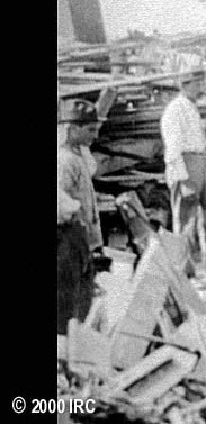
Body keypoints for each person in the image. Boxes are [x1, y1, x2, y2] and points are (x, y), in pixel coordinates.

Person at [160, 64, 206, 284]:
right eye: (197, 83)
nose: (200, 87)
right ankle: (184, 274)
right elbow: (173, 149)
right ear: (185, 85)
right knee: (186, 222)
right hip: (184, 166)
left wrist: (205, 151)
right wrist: (183, 179)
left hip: (198, 164)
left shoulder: (191, 107)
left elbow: (194, 141)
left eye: (202, 82)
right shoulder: (174, 110)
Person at [57, 99, 104, 334]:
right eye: (89, 130)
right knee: (67, 299)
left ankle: (78, 351)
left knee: (82, 296)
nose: (94, 136)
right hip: (67, 237)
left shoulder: (78, 156)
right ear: (72, 129)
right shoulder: (63, 161)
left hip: (80, 237)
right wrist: (75, 213)